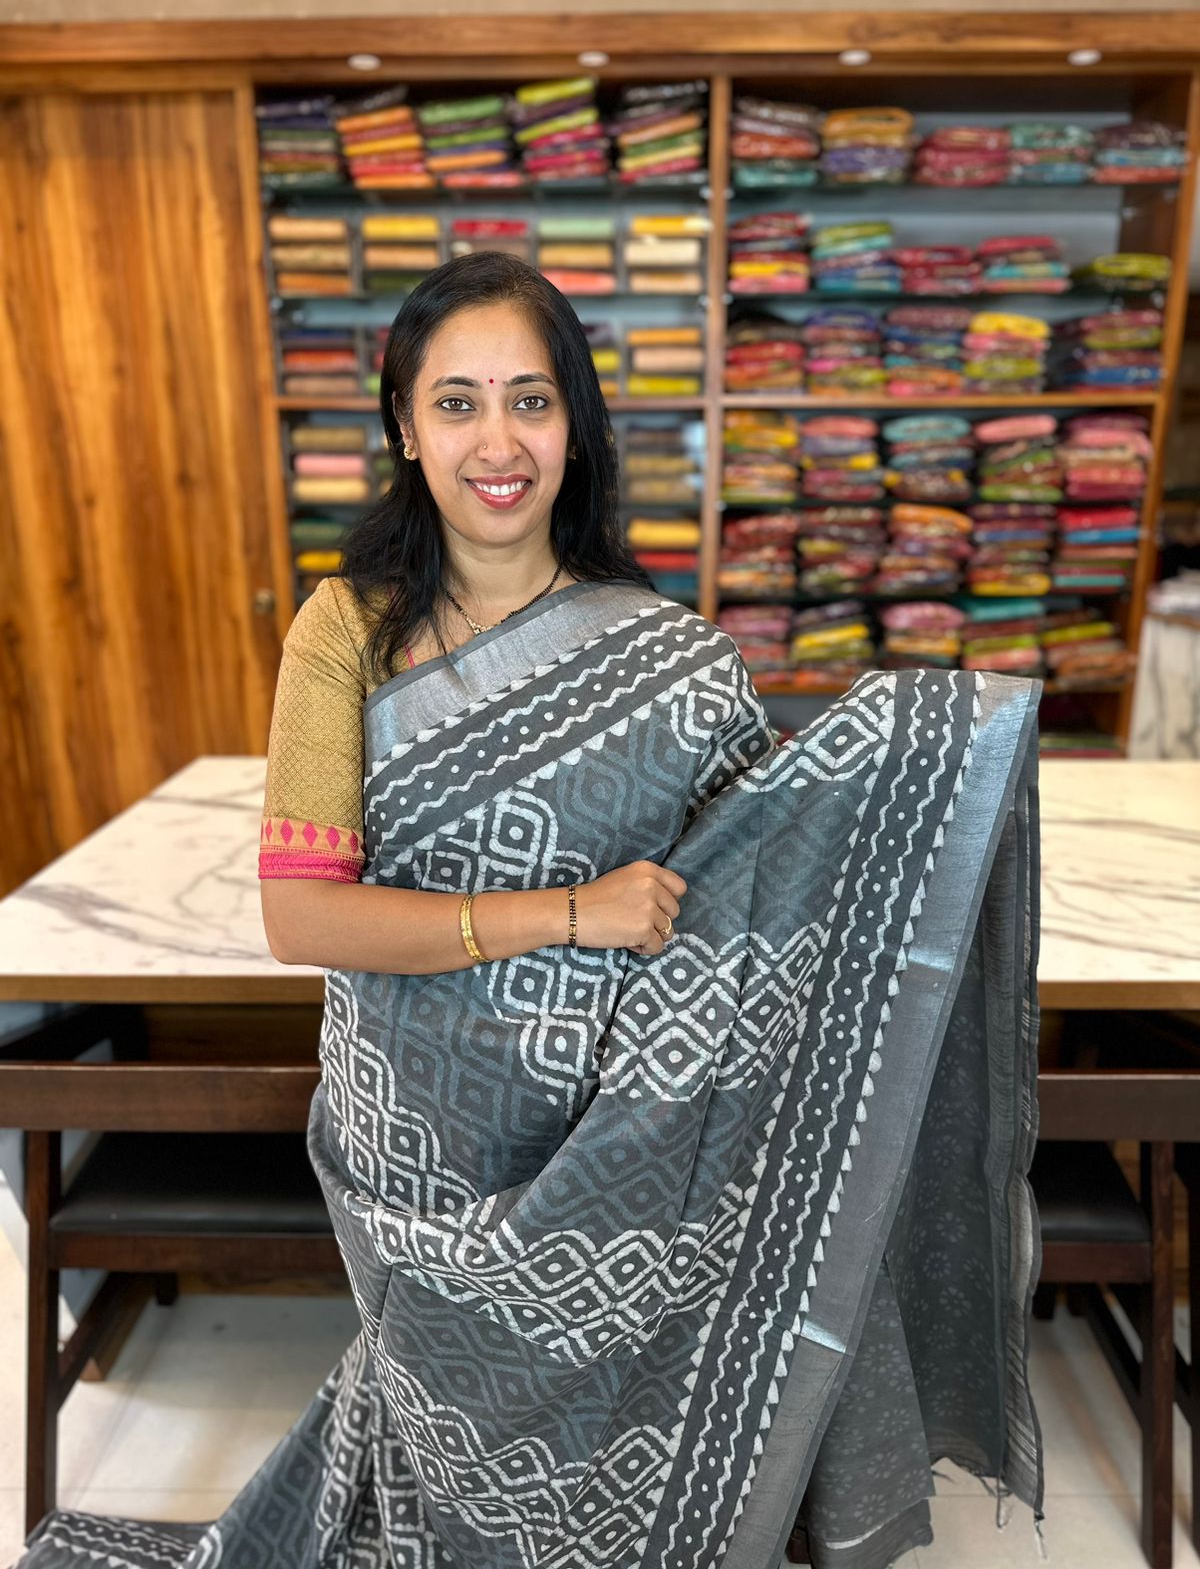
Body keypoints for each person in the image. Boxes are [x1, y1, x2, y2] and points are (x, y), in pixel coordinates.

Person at [15, 252, 1045, 1569]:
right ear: (402, 425)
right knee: (451, 1434)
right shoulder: (348, 634)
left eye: (531, 400)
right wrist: (564, 912)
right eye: (457, 403)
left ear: (577, 424)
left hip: (620, 1142)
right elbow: (301, 918)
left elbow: (762, 894)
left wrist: (935, 755)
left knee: (611, 1431)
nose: (497, 442)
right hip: (413, 1146)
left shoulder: (672, 661)